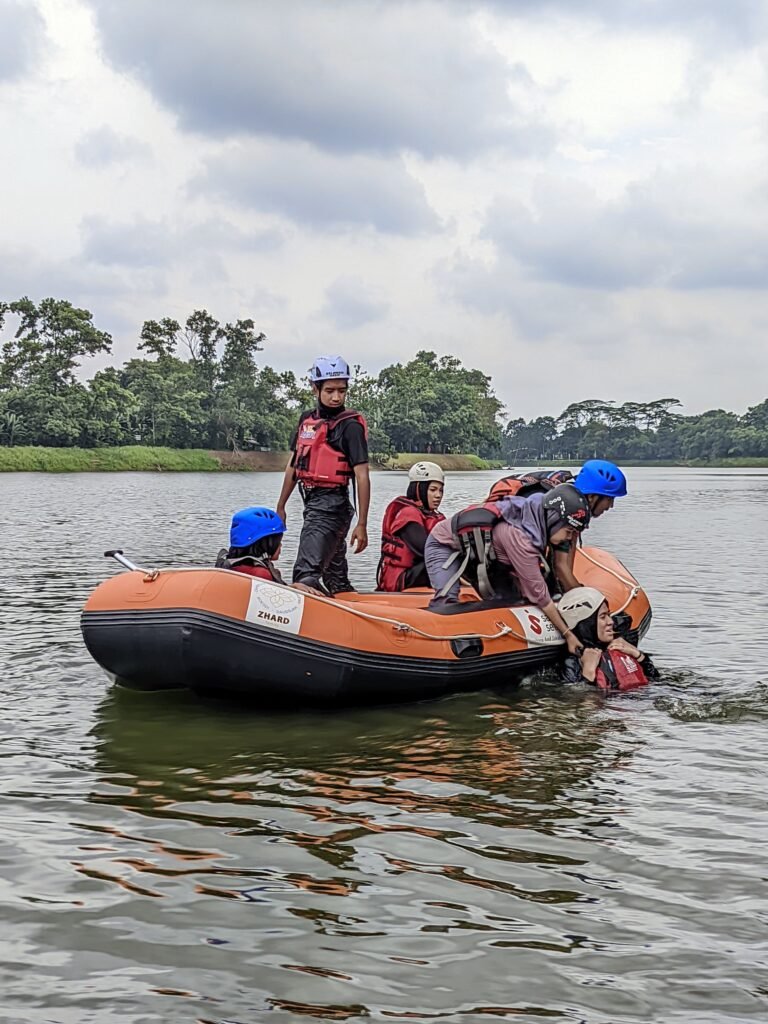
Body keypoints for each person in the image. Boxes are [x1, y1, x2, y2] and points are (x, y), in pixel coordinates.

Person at [424, 483, 590, 657]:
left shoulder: (535, 515)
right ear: (553, 520)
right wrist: (568, 634)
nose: (569, 538)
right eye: (569, 531)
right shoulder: (522, 538)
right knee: (447, 599)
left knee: (509, 599)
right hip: (443, 545)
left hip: (484, 553)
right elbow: (540, 596)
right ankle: (433, 645)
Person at [276, 356, 370, 596]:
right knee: (335, 578)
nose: (336, 397)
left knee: (304, 575)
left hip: (332, 505)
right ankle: (350, 612)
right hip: (312, 500)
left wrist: (362, 524)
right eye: (329, 390)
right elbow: (294, 465)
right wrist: (281, 506)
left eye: (341, 390)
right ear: (315, 388)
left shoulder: (350, 426)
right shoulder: (306, 421)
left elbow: (362, 476)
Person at [558, 586, 658, 691]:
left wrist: (639, 656)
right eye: (602, 617)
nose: (611, 622)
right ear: (586, 624)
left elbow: (655, 681)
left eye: (608, 615)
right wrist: (589, 671)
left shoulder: (618, 647)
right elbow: (577, 700)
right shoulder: (572, 663)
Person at [553, 460, 628, 591]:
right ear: (592, 496)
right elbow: (560, 565)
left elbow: (567, 556)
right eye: (609, 499)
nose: (611, 506)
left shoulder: (575, 500)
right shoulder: (569, 508)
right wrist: (578, 594)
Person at [215, 506, 322, 595]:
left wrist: (291, 587)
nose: (280, 545)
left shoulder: (231, 565)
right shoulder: (260, 574)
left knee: (306, 582)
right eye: (277, 541)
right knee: (311, 581)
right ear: (265, 544)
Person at [377, 461, 446, 591]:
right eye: (433, 490)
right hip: (400, 579)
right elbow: (425, 550)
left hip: (417, 574)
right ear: (420, 489)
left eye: (441, 490)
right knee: (444, 563)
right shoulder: (407, 514)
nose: (438, 495)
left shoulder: (433, 516)